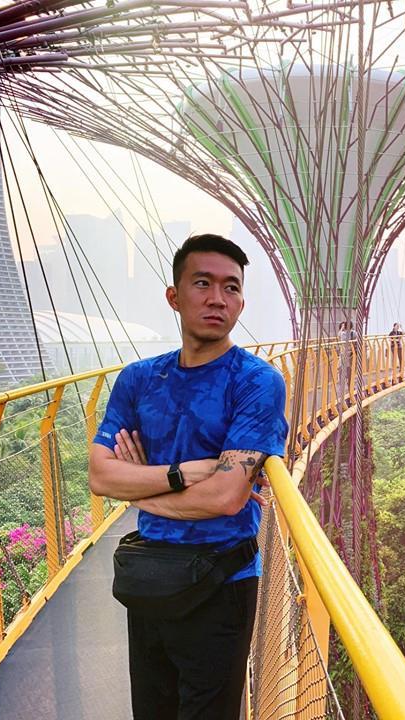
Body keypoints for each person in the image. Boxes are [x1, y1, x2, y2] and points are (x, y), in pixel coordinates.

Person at [88, 234, 289, 720]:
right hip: (150, 577)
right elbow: (99, 474)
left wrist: (138, 485)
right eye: (203, 283)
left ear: (242, 300)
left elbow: (223, 497)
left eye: (231, 287)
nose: (218, 298)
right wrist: (182, 474)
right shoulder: (138, 379)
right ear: (174, 296)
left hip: (221, 580)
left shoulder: (256, 381)